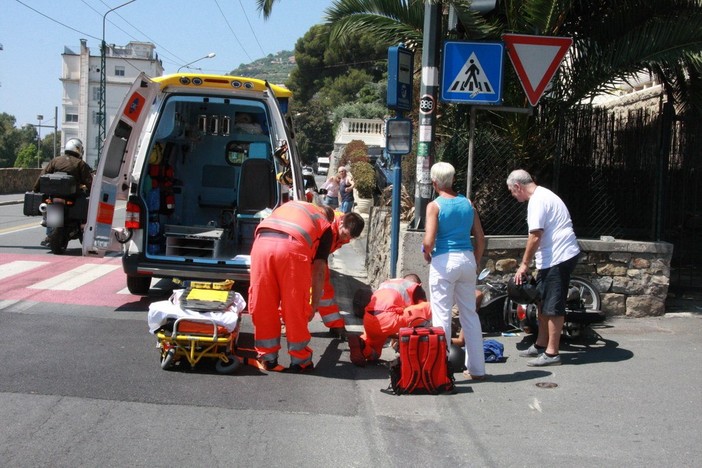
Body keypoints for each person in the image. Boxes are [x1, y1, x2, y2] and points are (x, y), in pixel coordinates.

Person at [247, 201, 363, 373]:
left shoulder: (297, 208)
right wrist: (312, 306)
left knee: (263, 303)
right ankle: (300, 360)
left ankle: (267, 358)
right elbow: (318, 273)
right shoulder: (325, 228)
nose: (346, 240)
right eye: (346, 236)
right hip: (293, 249)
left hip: (261, 244)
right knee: (295, 305)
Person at [507, 169, 581, 367]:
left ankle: (552, 353)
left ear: (517, 186)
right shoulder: (543, 196)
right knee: (542, 301)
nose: (513, 196)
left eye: (512, 192)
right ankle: (541, 344)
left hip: (558, 258)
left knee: (553, 305)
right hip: (551, 258)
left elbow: (535, 236)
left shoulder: (538, 201)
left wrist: (524, 265)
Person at [422, 162, 486, 380]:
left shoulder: (435, 206)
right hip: (467, 259)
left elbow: (429, 241)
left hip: (444, 261)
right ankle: (477, 369)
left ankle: (440, 370)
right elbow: (480, 237)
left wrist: (425, 252)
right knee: (470, 315)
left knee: (441, 315)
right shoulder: (467, 203)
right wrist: (474, 260)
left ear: (435, 182)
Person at [347, 274, 431, 366]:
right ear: (419, 284)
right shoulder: (416, 288)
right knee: (428, 308)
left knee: (374, 353)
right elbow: (421, 319)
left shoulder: (387, 284)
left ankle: (361, 344)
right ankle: (421, 351)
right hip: (388, 319)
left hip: (369, 319)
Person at [33, 138, 93, 246]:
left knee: (51, 206)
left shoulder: (56, 160)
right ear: (79, 150)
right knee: (85, 203)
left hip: (54, 194)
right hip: (72, 196)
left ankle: (49, 235)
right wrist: (93, 191)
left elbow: (42, 175)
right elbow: (89, 181)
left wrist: (35, 189)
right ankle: (82, 227)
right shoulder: (80, 163)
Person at [317, 210, 365, 339]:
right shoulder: (327, 225)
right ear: (341, 222)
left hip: (316, 257)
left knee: (324, 289)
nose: (346, 239)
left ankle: (335, 325)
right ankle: (285, 320)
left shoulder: (343, 226)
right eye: (345, 235)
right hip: (305, 255)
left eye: (349, 237)